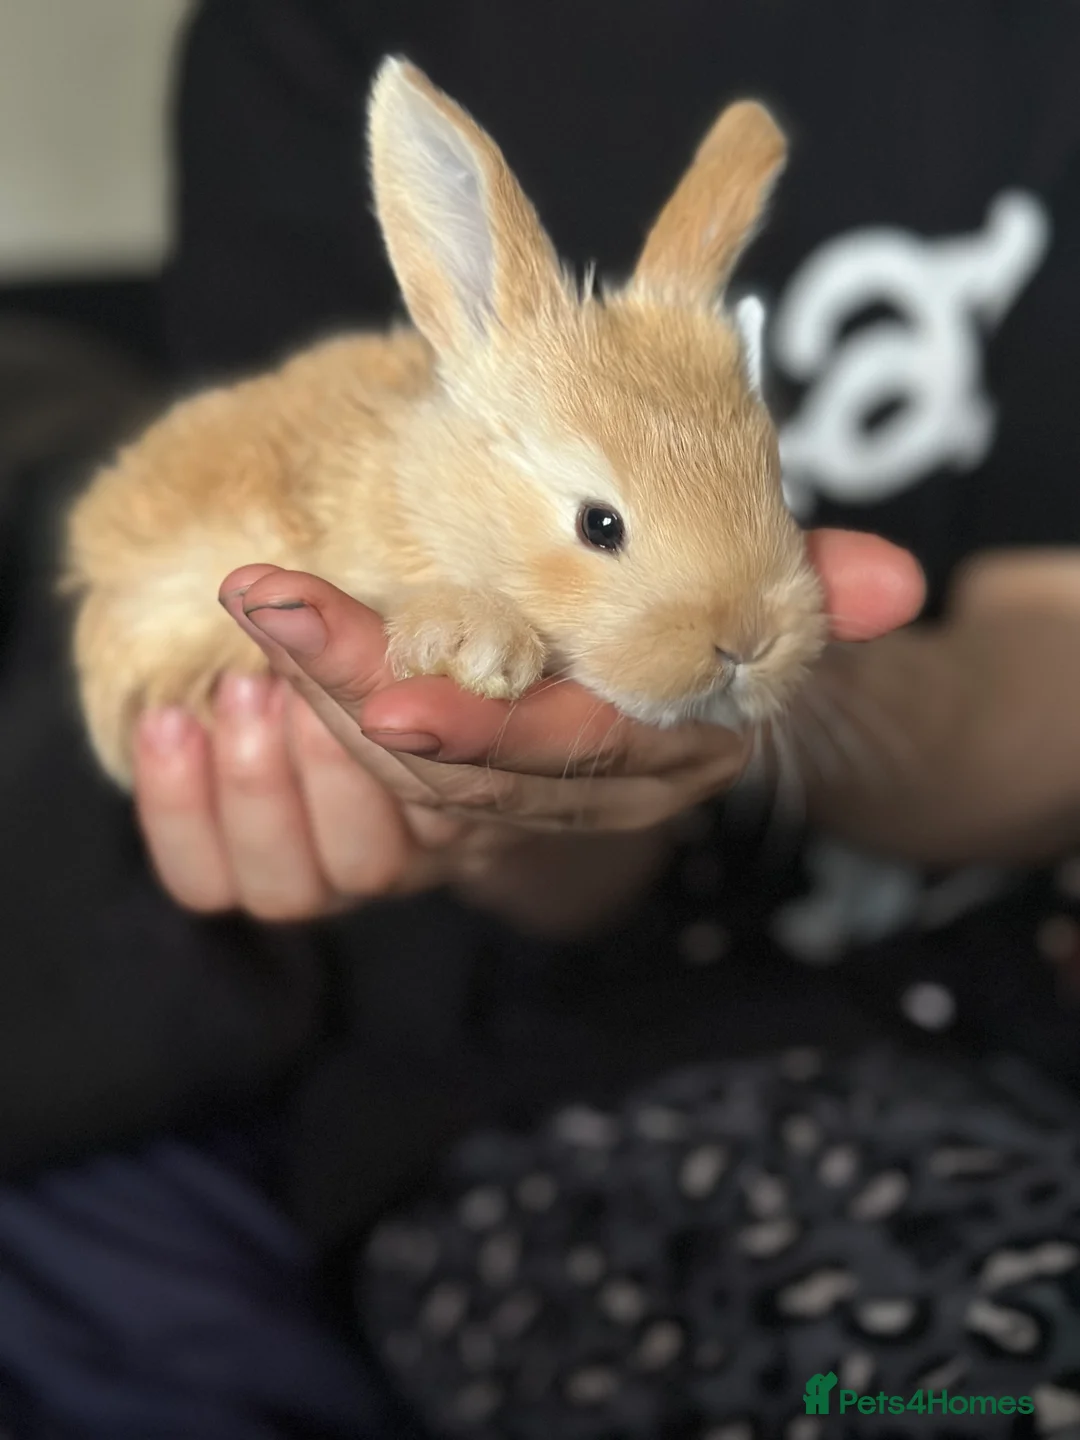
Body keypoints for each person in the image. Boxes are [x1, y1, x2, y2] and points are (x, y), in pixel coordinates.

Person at [3, 1, 1080, 1437]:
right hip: (548, 1068)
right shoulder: (311, 49)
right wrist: (495, 790)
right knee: (981, 1393)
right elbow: (504, 820)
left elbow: (1051, 664)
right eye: (601, 525)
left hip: (994, 985)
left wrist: (806, 698)